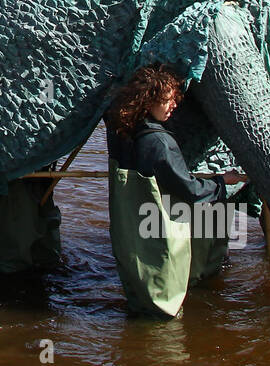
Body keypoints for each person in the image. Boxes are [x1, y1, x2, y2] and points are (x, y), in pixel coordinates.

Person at [106, 64, 247, 317]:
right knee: (164, 307)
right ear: (149, 101)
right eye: (168, 100)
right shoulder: (160, 142)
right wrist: (222, 183)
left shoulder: (123, 131)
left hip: (132, 230)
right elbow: (189, 190)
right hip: (158, 227)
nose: (173, 106)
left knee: (142, 296)